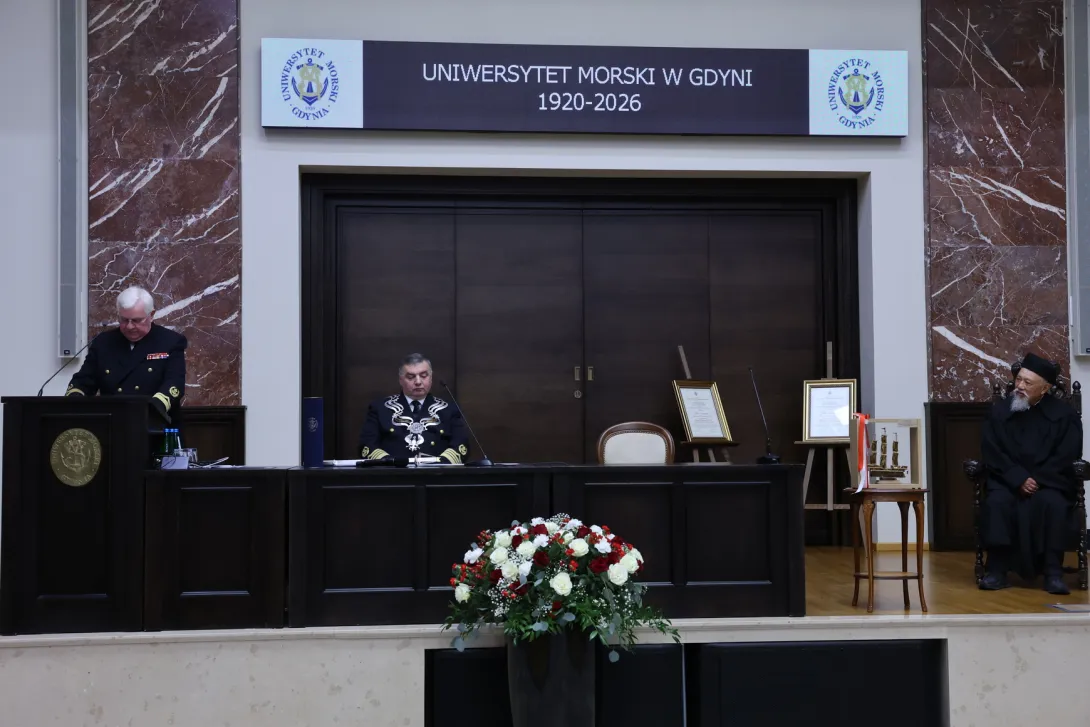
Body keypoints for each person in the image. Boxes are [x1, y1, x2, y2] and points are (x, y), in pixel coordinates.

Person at [978, 352, 1083, 595]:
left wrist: (1037, 480)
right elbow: (992, 450)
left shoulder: (1063, 416)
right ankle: (997, 571)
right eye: (1019, 380)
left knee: (1053, 504)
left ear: (1044, 389)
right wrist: (1018, 478)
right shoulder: (1000, 411)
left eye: (1028, 382)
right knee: (997, 503)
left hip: (1049, 483)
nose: (1020, 386)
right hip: (1008, 481)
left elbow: (1068, 454)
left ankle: (1053, 573)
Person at [65, 286, 187, 419]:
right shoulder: (103, 342)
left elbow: (174, 381)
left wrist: (157, 405)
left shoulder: (170, 341)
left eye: (136, 320)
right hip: (112, 421)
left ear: (151, 315)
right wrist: (75, 397)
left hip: (154, 420)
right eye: (124, 320)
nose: (129, 326)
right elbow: (84, 380)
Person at [358, 353, 469, 464]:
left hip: (437, 472)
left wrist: (440, 464)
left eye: (423, 376)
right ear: (401, 380)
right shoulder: (380, 409)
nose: (418, 382)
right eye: (411, 377)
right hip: (393, 472)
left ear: (431, 378)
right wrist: (389, 463)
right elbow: (367, 444)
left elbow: (461, 444)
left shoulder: (449, 410)